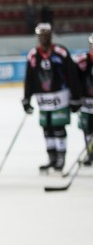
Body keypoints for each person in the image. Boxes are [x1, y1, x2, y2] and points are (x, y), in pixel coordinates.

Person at [22, 23, 81, 173]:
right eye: (40, 35)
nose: (43, 38)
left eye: (46, 35)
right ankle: (52, 158)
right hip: (43, 100)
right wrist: (26, 98)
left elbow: (72, 75)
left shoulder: (61, 52)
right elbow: (29, 78)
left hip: (60, 97)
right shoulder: (33, 55)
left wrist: (76, 97)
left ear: (50, 35)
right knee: (47, 128)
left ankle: (61, 158)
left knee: (58, 127)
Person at [73, 33, 93, 165]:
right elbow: (75, 80)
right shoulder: (83, 61)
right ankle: (90, 153)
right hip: (87, 103)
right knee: (87, 129)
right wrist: (76, 97)